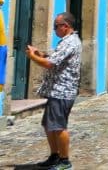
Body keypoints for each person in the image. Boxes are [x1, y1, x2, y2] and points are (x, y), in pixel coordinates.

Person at [25, 12, 81, 170]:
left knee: (58, 127)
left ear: (65, 26)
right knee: (49, 125)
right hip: (56, 91)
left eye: (56, 26)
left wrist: (32, 57)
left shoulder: (70, 42)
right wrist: (39, 54)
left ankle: (64, 161)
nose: (54, 29)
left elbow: (50, 64)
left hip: (62, 91)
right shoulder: (65, 42)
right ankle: (55, 156)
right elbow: (54, 57)